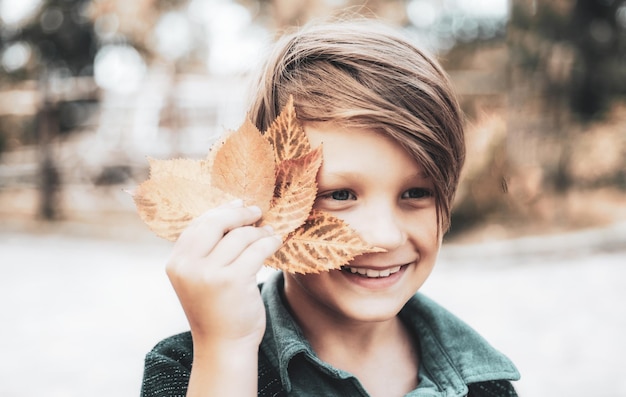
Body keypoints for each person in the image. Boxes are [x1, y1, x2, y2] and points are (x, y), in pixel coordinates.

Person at [141, 18, 520, 397]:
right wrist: (227, 350)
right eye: (340, 195)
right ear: (266, 200)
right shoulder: (191, 367)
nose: (384, 236)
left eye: (416, 193)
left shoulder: (486, 385)